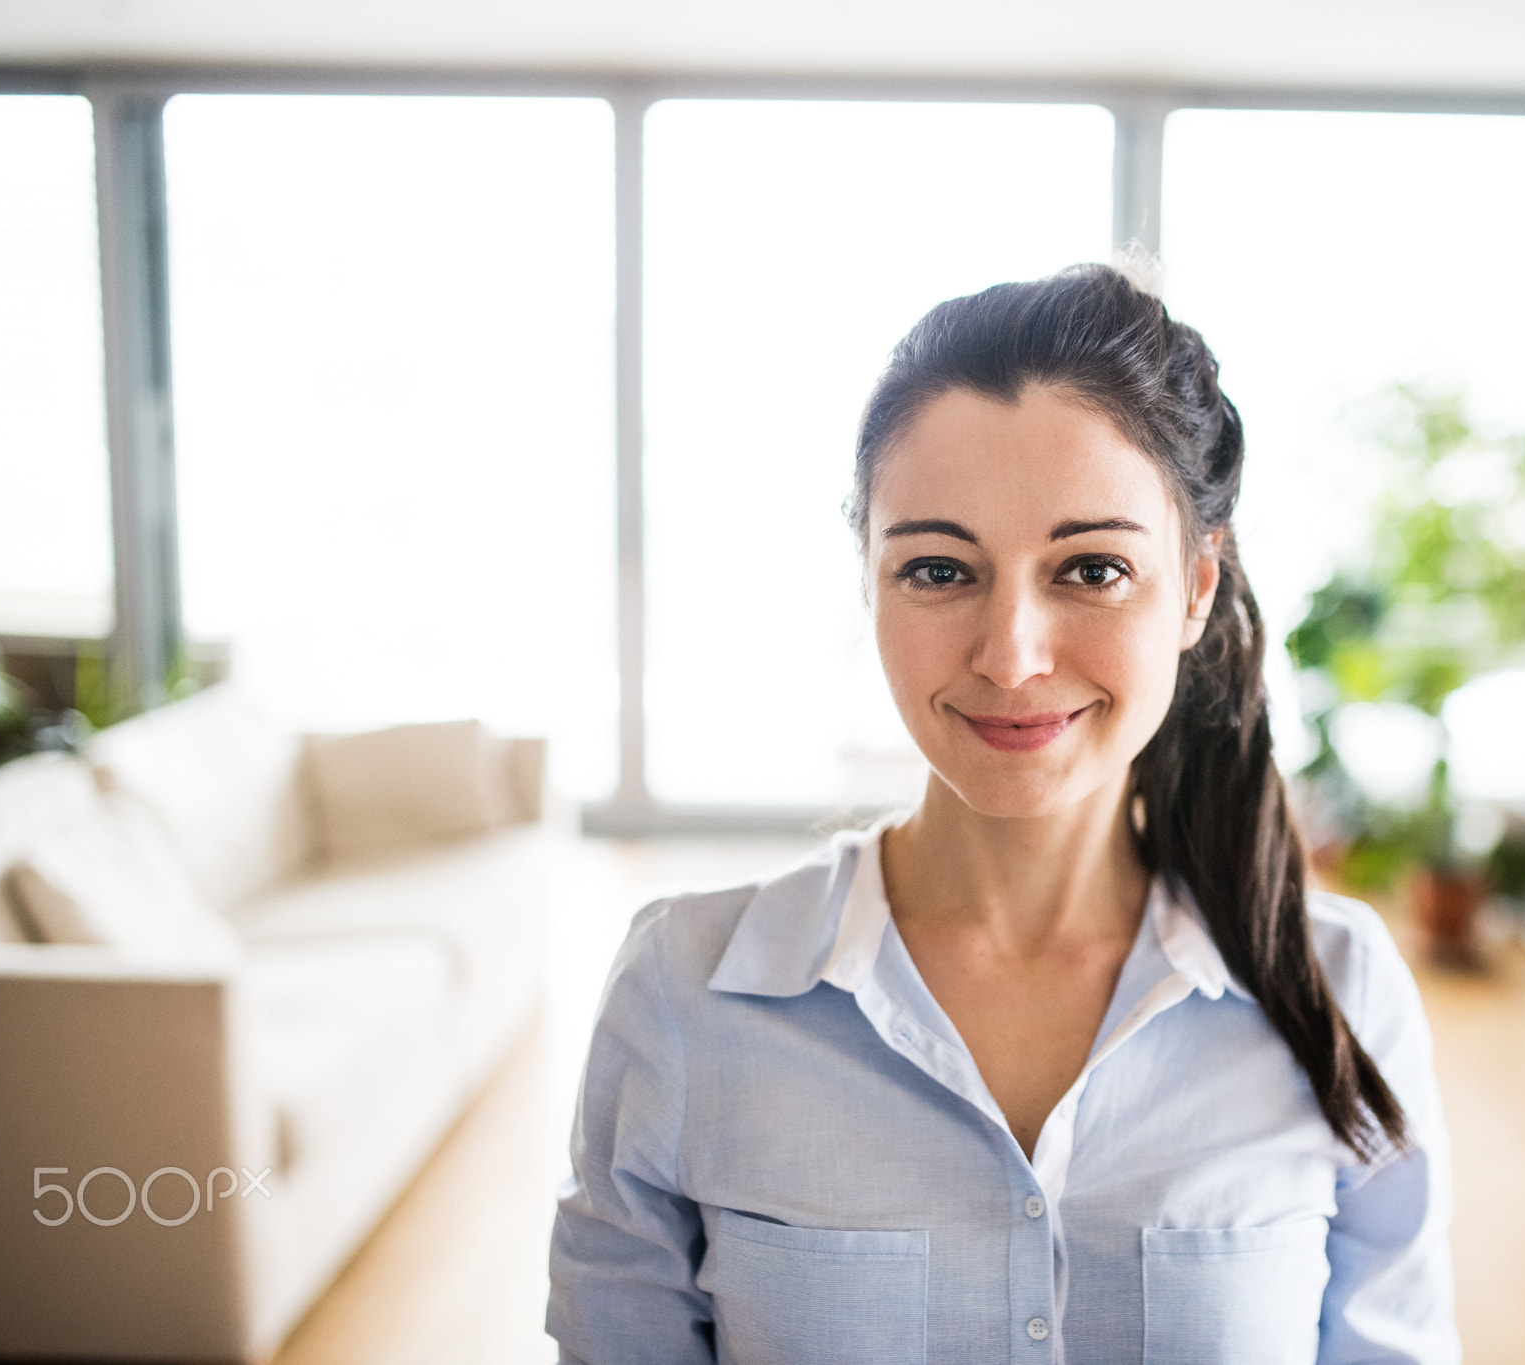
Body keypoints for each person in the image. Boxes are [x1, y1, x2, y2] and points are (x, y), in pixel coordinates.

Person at [547, 263, 1458, 1364]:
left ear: (1196, 585)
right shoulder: (684, 996)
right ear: (869, 580)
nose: (1011, 656)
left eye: (1092, 568)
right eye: (938, 569)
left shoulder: (1340, 994)